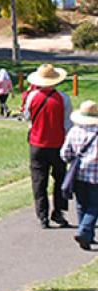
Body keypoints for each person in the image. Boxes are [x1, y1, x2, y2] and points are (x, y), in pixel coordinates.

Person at [24, 64, 72, 229]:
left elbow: (27, 117)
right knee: (60, 179)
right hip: (58, 143)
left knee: (39, 180)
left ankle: (42, 215)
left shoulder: (32, 97)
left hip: (37, 143)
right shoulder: (63, 98)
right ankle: (58, 211)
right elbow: (67, 124)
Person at [61, 100, 98, 250]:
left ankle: (87, 236)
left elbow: (65, 154)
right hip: (96, 175)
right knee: (95, 206)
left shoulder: (74, 131)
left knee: (81, 205)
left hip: (78, 174)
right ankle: (84, 231)